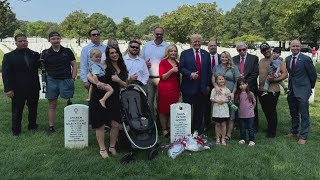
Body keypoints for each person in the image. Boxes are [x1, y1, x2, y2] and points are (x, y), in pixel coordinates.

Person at [88, 46, 128, 158]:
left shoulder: (122, 67)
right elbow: (88, 75)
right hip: (98, 96)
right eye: (111, 53)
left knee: (115, 124)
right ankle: (102, 149)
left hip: (113, 97)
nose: (114, 54)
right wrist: (97, 83)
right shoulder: (102, 63)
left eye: (116, 52)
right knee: (100, 124)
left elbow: (125, 84)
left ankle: (112, 146)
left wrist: (118, 80)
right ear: (108, 54)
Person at [2, 34, 40, 136]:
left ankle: (32, 126)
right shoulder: (9, 56)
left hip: (33, 87)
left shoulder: (35, 55)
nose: (23, 43)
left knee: (33, 109)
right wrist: (8, 89)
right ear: (16, 42)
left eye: (25, 41)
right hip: (17, 88)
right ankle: (16, 130)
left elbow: (44, 67)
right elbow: (6, 74)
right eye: (20, 41)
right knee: (17, 110)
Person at [41, 32, 77, 132]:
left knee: (68, 101)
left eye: (57, 38)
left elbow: (74, 64)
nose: (56, 40)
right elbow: (41, 67)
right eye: (53, 39)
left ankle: (72, 123)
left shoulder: (67, 51)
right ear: (49, 40)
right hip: (52, 80)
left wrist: (73, 78)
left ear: (60, 39)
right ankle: (51, 126)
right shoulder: (45, 53)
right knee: (52, 103)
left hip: (66, 79)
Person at [285, 40, 317, 145]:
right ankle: (294, 131)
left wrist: (309, 88)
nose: (295, 48)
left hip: (303, 90)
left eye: (297, 46)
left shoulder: (306, 59)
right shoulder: (288, 59)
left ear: (300, 47)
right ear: (290, 47)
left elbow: (313, 75)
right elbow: (291, 75)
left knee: (304, 114)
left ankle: (303, 135)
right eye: (293, 46)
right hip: (291, 90)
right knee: (293, 112)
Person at [179, 34, 211, 134]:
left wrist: (208, 85)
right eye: (195, 41)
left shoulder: (206, 54)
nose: (197, 43)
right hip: (188, 87)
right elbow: (181, 68)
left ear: (201, 42)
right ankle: (187, 129)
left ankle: (197, 129)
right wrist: (190, 74)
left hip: (201, 88)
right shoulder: (185, 53)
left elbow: (208, 71)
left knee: (199, 110)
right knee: (187, 110)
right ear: (191, 42)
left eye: (198, 41)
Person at [258, 42, 288, 138]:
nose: (266, 51)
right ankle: (269, 126)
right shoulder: (261, 61)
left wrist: (274, 79)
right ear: (261, 52)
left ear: (270, 49)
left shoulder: (278, 60)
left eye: (267, 49)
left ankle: (272, 132)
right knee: (265, 110)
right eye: (263, 50)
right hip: (262, 90)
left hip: (273, 90)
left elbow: (285, 74)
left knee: (271, 110)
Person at [141, 27, 169, 121]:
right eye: (157, 34)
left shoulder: (166, 46)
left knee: (161, 102)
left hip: (162, 78)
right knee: (149, 101)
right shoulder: (147, 45)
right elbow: (141, 60)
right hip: (149, 78)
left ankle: (161, 122)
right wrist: (145, 64)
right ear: (154, 34)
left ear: (163, 34)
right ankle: (152, 122)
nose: (159, 36)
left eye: (161, 34)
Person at [212, 51, 240, 141]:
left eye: (226, 57)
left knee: (231, 112)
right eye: (222, 57)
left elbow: (237, 81)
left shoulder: (233, 68)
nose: (224, 59)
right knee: (220, 111)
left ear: (229, 58)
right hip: (219, 93)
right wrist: (215, 86)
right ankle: (219, 134)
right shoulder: (217, 67)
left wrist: (233, 93)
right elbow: (213, 78)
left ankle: (228, 134)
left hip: (230, 92)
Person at [232, 42, 259, 131]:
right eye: (239, 50)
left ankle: (253, 125)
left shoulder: (254, 58)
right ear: (237, 50)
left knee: (251, 105)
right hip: (238, 87)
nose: (242, 51)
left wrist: (245, 84)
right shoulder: (234, 59)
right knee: (239, 105)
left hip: (250, 86)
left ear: (246, 48)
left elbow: (255, 73)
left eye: (244, 49)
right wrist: (240, 84)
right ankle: (239, 124)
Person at [158, 44, 180, 137]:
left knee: (172, 109)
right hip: (164, 88)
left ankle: (170, 127)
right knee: (163, 110)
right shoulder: (163, 62)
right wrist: (172, 70)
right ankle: (164, 129)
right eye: (171, 51)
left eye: (175, 51)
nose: (173, 53)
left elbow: (178, 77)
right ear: (168, 52)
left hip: (174, 88)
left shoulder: (177, 62)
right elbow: (162, 77)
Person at [80, 28, 106, 94]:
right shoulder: (86, 49)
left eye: (98, 34)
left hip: (104, 76)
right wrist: (85, 80)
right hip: (92, 77)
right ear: (90, 37)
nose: (96, 36)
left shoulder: (105, 48)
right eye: (94, 34)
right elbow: (83, 65)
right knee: (93, 98)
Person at [204, 40, 221, 132]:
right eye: (211, 46)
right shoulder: (205, 57)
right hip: (208, 85)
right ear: (208, 47)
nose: (213, 47)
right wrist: (206, 84)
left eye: (214, 45)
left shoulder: (221, 57)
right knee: (207, 105)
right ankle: (207, 124)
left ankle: (219, 123)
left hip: (220, 85)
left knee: (219, 103)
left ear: (217, 46)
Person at [210, 74, 230, 145]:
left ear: (224, 80)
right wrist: (217, 101)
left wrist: (224, 101)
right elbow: (211, 98)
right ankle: (218, 138)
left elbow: (229, 99)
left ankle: (223, 139)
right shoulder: (214, 90)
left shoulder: (227, 90)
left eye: (222, 79)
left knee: (223, 124)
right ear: (216, 81)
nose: (221, 80)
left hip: (224, 110)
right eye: (220, 79)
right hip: (217, 110)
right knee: (218, 124)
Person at [235, 78, 256, 146]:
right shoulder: (238, 94)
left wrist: (252, 107)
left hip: (250, 114)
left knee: (250, 128)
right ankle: (242, 139)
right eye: (240, 85)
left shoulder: (250, 93)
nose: (242, 86)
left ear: (246, 84)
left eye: (243, 84)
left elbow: (254, 101)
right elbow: (237, 103)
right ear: (238, 86)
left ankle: (251, 140)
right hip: (241, 114)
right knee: (242, 127)